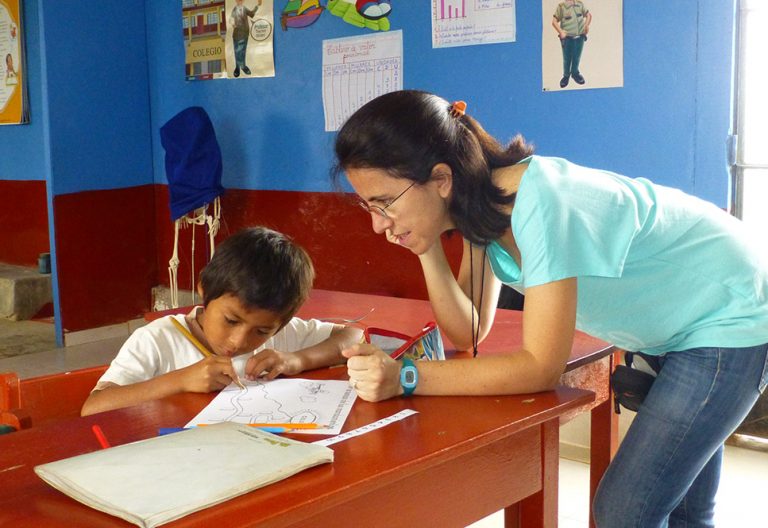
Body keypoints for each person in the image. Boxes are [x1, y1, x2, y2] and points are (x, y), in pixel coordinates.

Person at [331, 89, 768, 527]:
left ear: (441, 179)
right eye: (368, 206)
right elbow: (469, 329)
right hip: (678, 324)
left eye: (385, 202)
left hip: (728, 311)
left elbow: (540, 367)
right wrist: (422, 244)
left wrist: (406, 377)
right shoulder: (479, 204)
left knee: (624, 511)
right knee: (683, 508)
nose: (376, 223)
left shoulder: (538, 201)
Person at [82, 226, 362, 416]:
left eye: (262, 331)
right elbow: (94, 407)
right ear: (204, 288)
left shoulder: (281, 338)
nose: (239, 341)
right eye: (230, 320)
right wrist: (180, 380)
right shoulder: (158, 340)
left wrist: (296, 360)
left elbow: (352, 335)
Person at [552, 0, 591, 88]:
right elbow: (554, 22)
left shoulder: (580, 4)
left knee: (577, 57)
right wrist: (560, 31)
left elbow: (588, 15)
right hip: (567, 39)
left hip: (580, 37)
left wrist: (586, 25)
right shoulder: (561, 7)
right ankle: (566, 76)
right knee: (567, 59)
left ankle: (575, 73)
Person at [229, 0, 262, 78]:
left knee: (243, 51)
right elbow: (230, 19)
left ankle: (243, 66)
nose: (239, 2)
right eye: (238, 0)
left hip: (244, 34)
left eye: (241, 0)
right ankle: (237, 68)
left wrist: (257, 6)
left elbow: (251, 14)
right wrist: (233, 24)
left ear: (242, 1)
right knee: (237, 51)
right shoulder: (234, 9)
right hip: (237, 34)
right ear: (236, 1)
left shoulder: (244, 9)